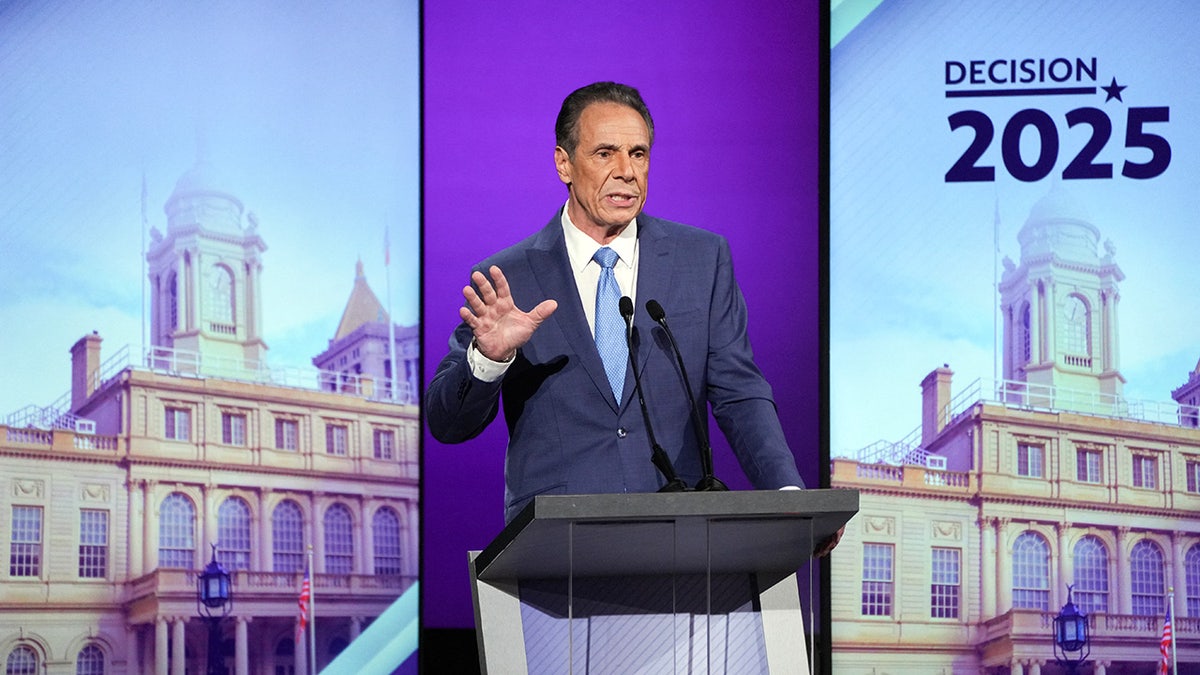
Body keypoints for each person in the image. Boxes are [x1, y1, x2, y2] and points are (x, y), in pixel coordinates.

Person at [427, 82, 825, 543]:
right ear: (564, 163)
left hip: (683, 539)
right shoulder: (508, 278)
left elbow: (739, 392)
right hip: (555, 548)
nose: (626, 171)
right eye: (605, 153)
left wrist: (786, 493)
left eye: (638, 154)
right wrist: (489, 358)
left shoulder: (702, 259)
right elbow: (447, 424)